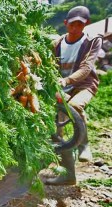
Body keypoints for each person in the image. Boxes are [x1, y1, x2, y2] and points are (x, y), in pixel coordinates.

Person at [45, 6, 102, 185]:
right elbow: (50, 68)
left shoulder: (92, 41)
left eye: (80, 25)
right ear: (65, 23)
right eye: (72, 24)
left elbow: (86, 69)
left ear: (86, 24)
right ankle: (67, 175)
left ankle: (84, 145)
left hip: (84, 85)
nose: (75, 28)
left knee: (75, 107)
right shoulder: (56, 44)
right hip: (62, 88)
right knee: (55, 130)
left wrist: (67, 81)